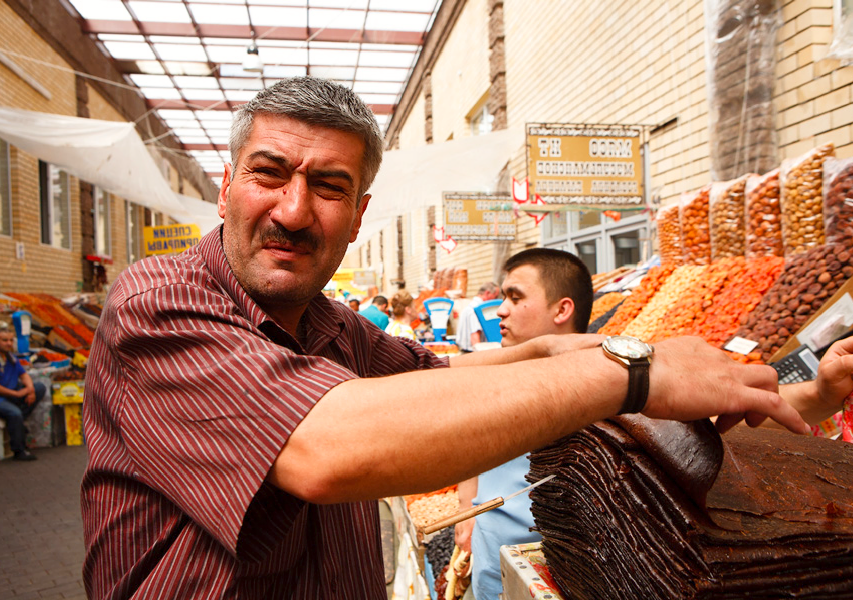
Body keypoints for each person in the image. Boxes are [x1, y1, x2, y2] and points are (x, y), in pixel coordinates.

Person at [81, 76, 811, 600]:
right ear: (226, 188)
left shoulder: (337, 329)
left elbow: (478, 369)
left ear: (358, 212)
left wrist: (751, 380)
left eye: (329, 187)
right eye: (269, 174)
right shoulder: (161, 302)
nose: (294, 211)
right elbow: (322, 450)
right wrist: (633, 371)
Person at [0, 324, 46, 461]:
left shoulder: (10, 357)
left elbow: (24, 375)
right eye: (4, 340)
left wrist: (30, 390)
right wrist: (17, 394)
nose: (9, 343)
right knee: (15, 413)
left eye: (10, 340)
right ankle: (18, 450)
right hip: (3, 398)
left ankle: (18, 423)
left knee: (39, 387)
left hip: (14, 393)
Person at [456, 282, 501, 352]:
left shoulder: (468, 307)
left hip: (462, 350)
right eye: (495, 296)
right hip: (472, 352)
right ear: (487, 293)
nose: (495, 299)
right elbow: (475, 337)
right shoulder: (477, 310)